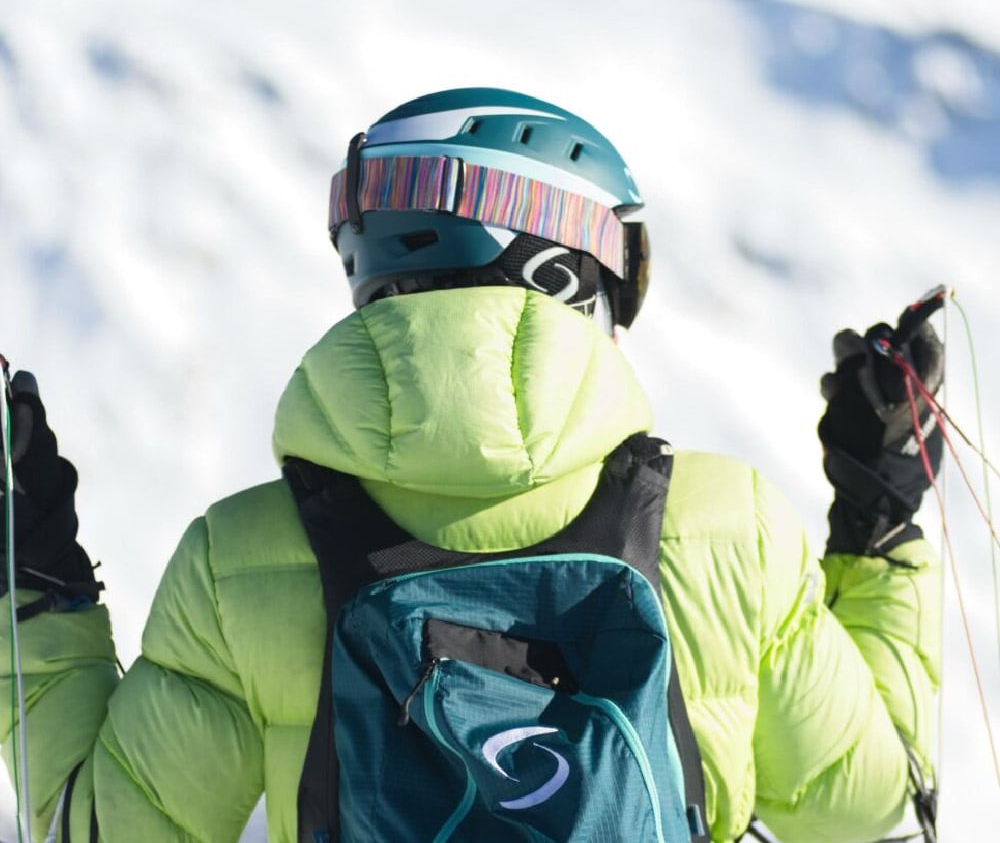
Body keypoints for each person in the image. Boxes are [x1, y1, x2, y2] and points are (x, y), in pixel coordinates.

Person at [1, 88, 942, 843]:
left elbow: (99, 828)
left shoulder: (240, 557)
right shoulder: (725, 526)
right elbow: (869, 810)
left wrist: (34, 580)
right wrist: (881, 517)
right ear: (564, 275)